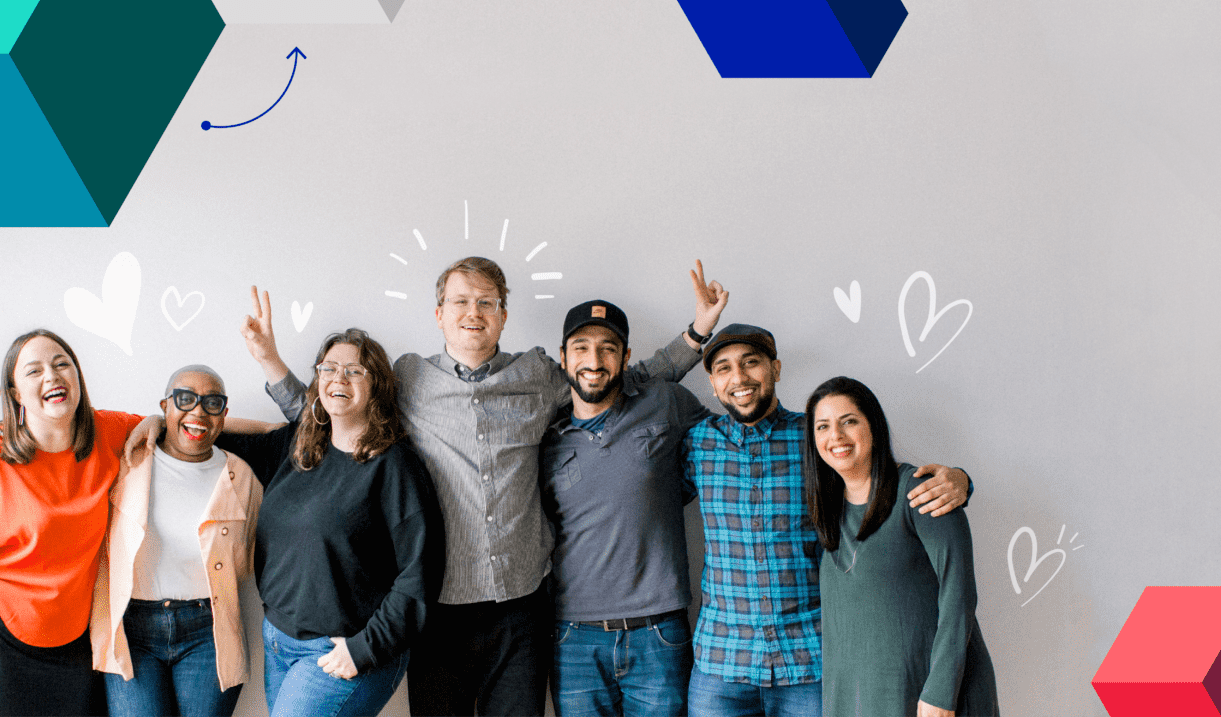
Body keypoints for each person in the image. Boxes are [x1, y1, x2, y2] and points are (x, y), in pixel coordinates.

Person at [242, 258, 729, 716]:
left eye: (486, 302)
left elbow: (620, 378)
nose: (472, 312)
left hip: (522, 609)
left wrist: (696, 335)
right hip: (438, 612)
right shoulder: (409, 377)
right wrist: (270, 364)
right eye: (460, 301)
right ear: (439, 313)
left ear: (502, 314)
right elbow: (332, 410)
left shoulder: (539, 374)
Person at [685, 325, 974, 717]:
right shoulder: (695, 442)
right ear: (713, 383)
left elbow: (873, 480)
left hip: (809, 659)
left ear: (776, 369)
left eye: (751, 363)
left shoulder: (816, 436)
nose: (739, 378)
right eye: (724, 368)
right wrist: (691, 335)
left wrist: (959, 480)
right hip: (721, 662)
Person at [183, 329, 443, 716]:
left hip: (344, 649)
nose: (339, 379)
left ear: (377, 388)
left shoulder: (395, 467)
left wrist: (363, 649)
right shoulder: (299, 448)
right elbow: (211, 436)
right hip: (278, 643)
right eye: (329, 368)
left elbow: (420, 574)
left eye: (355, 371)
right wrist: (158, 423)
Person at [0, 329, 144, 716]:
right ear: (16, 394)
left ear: (77, 377)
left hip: (76, 644)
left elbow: (191, 424)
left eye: (61, 365)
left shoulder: (107, 432)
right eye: (34, 371)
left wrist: (279, 433)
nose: (52, 376)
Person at [541, 299, 711, 717]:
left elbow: (722, 446)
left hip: (659, 632)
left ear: (626, 357)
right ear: (563, 359)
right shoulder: (544, 435)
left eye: (608, 348)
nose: (593, 361)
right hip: (573, 638)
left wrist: (669, 489)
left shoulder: (664, 401)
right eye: (580, 348)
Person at [803, 377, 997, 717]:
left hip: (930, 695)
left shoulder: (921, 492)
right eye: (823, 426)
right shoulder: (828, 509)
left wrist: (941, 693)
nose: (835, 436)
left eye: (849, 421)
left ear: (873, 426)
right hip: (862, 697)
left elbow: (959, 595)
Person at [93, 365, 263, 717]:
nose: (198, 411)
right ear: (165, 406)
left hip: (208, 632)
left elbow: (249, 562)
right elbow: (61, 430)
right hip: (131, 629)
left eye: (212, 403)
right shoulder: (127, 458)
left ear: (224, 415)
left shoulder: (241, 476)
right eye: (185, 399)